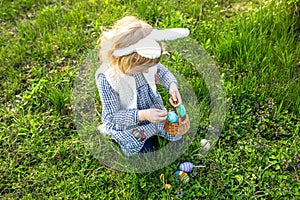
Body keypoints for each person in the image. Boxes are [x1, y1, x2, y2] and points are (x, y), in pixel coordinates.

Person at [95, 16, 189, 156]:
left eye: (150, 67)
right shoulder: (109, 79)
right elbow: (113, 115)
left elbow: (162, 72)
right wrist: (143, 114)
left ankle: (153, 130)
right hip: (129, 121)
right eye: (141, 69)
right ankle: (111, 133)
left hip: (152, 109)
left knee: (175, 135)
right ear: (121, 60)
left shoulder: (146, 61)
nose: (147, 71)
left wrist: (172, 86)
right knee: (145, 150)